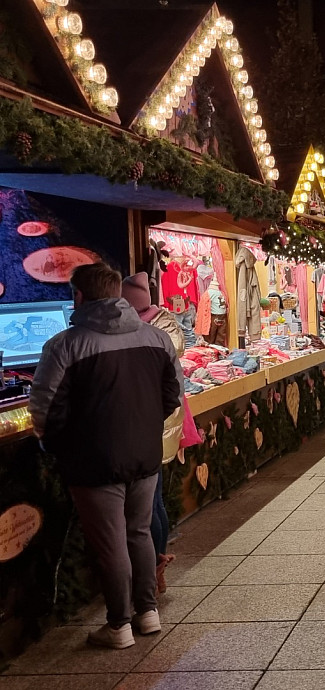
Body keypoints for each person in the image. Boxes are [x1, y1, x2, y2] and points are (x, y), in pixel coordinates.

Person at [29, 263, 182, 649]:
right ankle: (147, 612)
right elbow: (172, 395)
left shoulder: (65, 345)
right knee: (139, 532)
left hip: (93, 459)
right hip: (145, 454)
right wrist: (144, 428)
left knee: (111, 542)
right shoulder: (156, 338)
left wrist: (57, 444)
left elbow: (45, 409)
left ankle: (119, 626)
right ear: (117, 293)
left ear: (78, 296)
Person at [122, 272, 185, 595]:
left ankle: (154, 568)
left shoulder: (153, 328)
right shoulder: (157, 328)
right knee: (152, 501)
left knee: (150, 504)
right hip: (155, 424)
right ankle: (156, 567)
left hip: (151, 428)